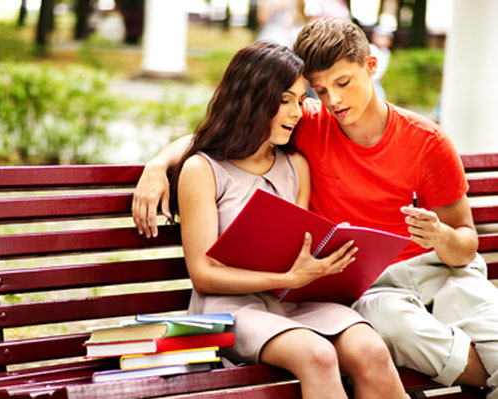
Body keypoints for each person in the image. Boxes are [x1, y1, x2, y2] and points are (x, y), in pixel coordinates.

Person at [132, 17, 498, 397]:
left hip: (426, 271)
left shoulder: (420, 141)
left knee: (391, 345)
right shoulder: (302, 124)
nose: (332, 101)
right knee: (353, 341)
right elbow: (222, 133)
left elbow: (465, 242)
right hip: (354, 290)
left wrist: (439, 236)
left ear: (371, 67)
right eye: (319, 91)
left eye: (342, 84)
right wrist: (158, 165)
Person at [153, 40, 406, 399]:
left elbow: (295, 248)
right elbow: (203, 274)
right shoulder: (203, 170)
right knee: (317, 354)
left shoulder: (296, 166)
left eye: (300, 101)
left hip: (293, 302)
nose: (297, 113)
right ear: (251, 99)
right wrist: (287, 277)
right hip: (231, 310)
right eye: (285, 100)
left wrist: (325, 261)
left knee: (372, 350)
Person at [369, 24, 393, 100]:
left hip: (376, 81)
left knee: (381, 98)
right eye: (379, 37)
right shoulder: (371, 48)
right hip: (369, 79)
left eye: (384, 38)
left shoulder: (386, 52)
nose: (382, 40)